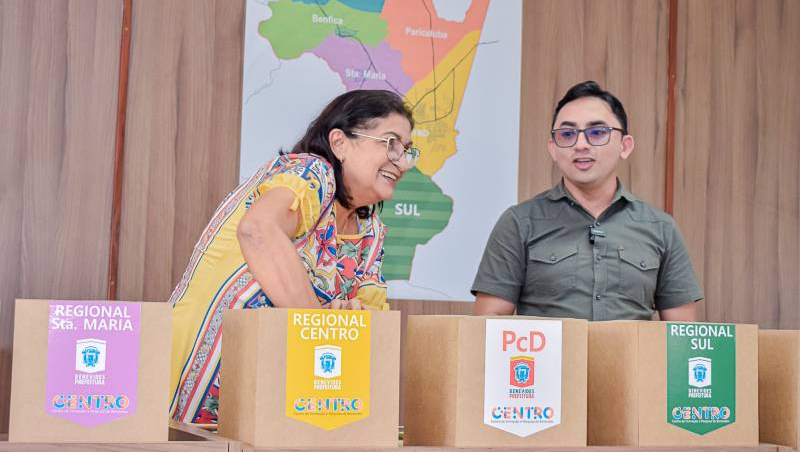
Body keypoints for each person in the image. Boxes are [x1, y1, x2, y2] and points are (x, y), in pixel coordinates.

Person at [168, 89, 419, 423]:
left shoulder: (370, 231)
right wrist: (320, 327)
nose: (402, 162)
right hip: (202, 385)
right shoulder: (310, 173)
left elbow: (367, 338)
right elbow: (257, 231)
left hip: (276, 405)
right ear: (340, 143)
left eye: (407, 151)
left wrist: (348, 321)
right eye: (390, 144)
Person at [472, 81, 703, 321]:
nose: (581, 145)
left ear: (625, 146)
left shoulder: (660, 228)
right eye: (567, 134)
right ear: (553, 148)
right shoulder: (519, 222)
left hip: (628, 349)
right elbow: (488, 324)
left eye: (597, 132)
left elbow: (682, 332)